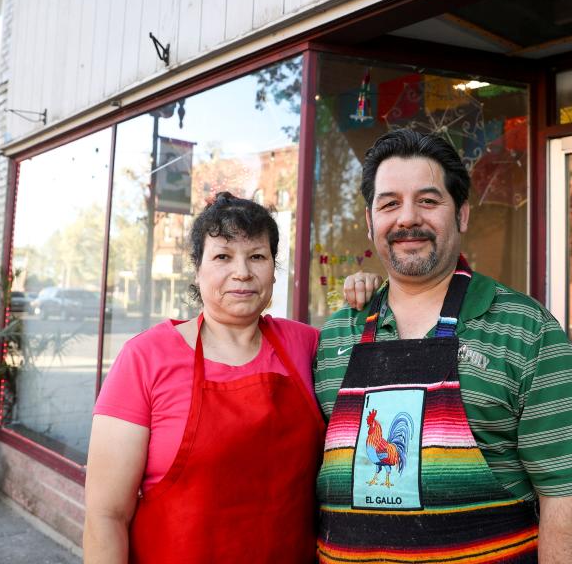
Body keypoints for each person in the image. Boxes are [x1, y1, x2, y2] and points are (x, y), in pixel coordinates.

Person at [314, 129, 572, 564]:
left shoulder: (526, 331)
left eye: (428, 201)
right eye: (390, 203)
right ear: (370, 222)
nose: (407, 218)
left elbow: (568, 500)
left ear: (462, 214)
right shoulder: (334, 336)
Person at [83, 193, 380, 563]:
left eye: (257, 256)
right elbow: (106, 514)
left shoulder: (308, 345)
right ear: (197, 269)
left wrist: (370, 297)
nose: (242, 272)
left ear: (274, 269)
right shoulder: (146, 358)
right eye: (223, 256)